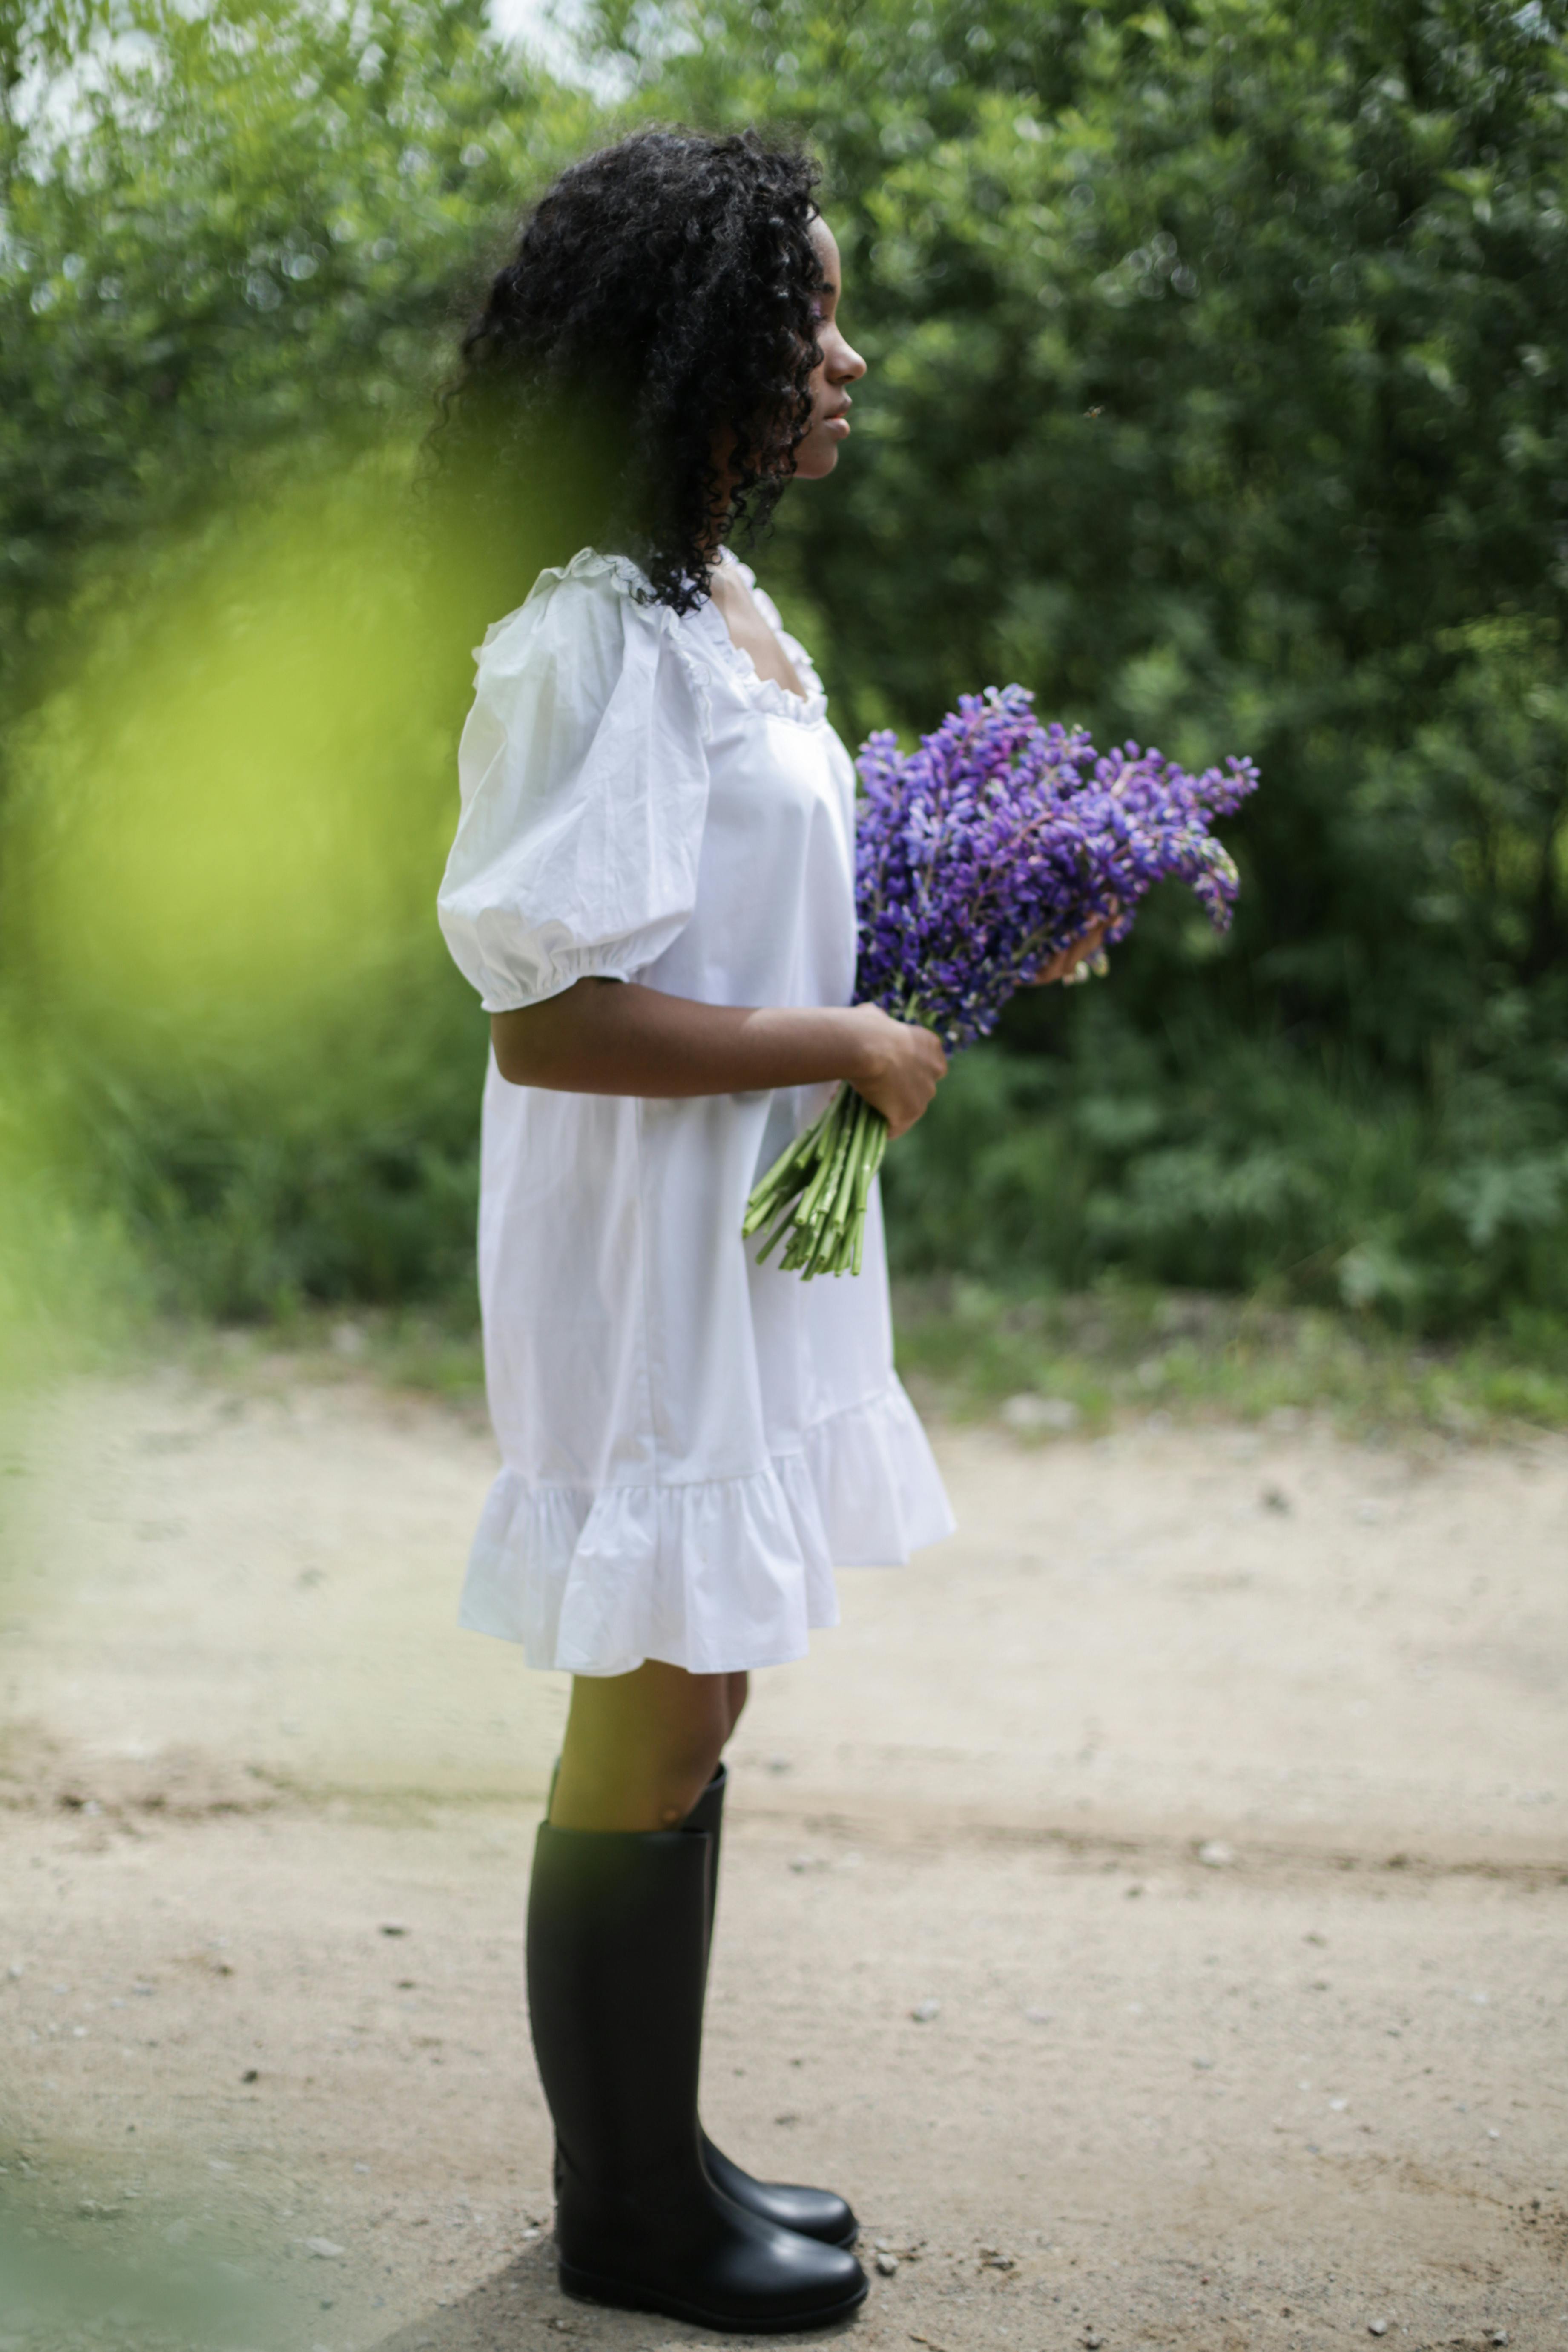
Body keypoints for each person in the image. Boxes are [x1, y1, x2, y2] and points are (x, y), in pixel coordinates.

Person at [433, 127, 1102, 2334]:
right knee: (646, 1698)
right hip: (639, 1231)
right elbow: (547, 1020)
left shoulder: (712, 608)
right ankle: (623, 2208)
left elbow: (756, 863)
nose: (847, 356)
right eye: (808, 317)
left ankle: (663, 2149)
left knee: (698, 1681)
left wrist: (983, 912)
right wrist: (839, 1031)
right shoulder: (587, 637)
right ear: (696, 346)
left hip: (733, 1224)